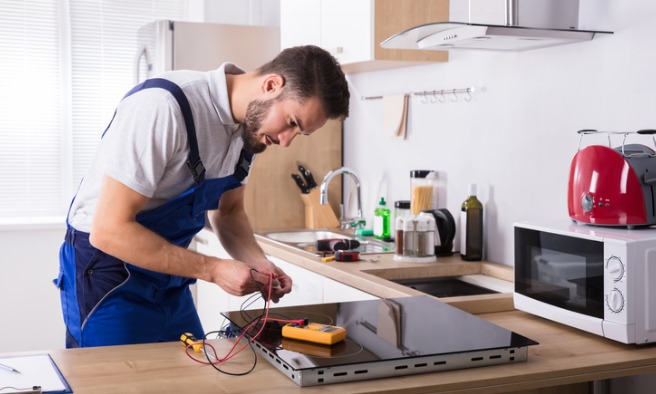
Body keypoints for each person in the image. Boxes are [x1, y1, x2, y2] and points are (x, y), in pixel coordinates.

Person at [55, 45, 351, 348]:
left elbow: (229, 213)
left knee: (193, 375)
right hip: (108, 276)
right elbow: (109, 231)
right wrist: (213, 269)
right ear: (271, 85)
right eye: (292, 123)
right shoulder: (163, 107)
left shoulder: (250, 130)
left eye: (299, 134)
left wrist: (259, 264)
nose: (286, 142)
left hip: (169, 279)